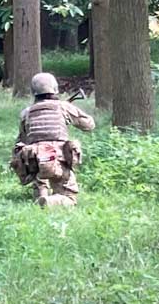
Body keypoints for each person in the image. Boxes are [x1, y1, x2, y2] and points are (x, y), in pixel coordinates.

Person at [10, 72, 96, 206]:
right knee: (70, 198)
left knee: (40, 180)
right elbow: (89, 125)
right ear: (55, 88)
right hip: (58, 159)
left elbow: (23, 138)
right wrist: (69, 113)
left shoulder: (26, 112)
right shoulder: (63, 107)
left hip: (35, 161)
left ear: (34, 92)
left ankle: (41, 197)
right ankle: (51, 202)